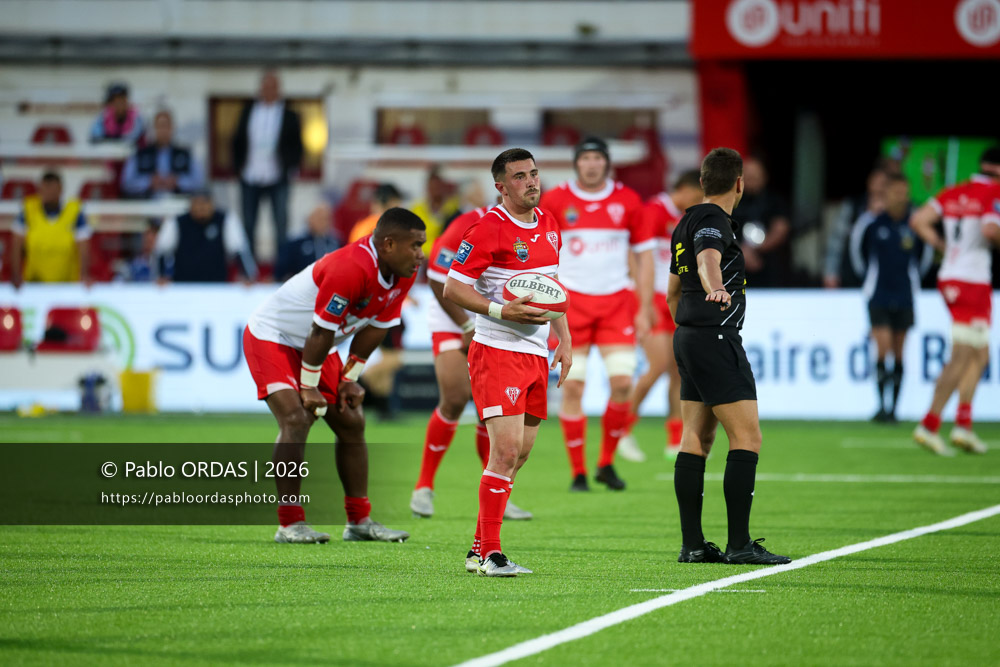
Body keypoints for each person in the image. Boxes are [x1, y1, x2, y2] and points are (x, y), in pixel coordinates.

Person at [243, 207, 426, 543]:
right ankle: (289, 524)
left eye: (421, 245)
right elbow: (319, 331)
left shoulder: (404, 271)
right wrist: (309, 386)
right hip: (274, 336)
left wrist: (349, 377)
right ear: (387, 244)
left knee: (351, 421)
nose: (420, 254)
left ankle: (359, 521)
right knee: (297, 419)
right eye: (414, 245)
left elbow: (376, 329)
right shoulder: (351, 268)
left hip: (317, 345)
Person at [443, 148, 572, 576]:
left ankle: (478, 549)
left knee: (521, 454)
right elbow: (453, 288)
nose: (531, 181)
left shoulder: (550, 224)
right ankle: (493, 555)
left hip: (536, 354)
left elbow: (553, 291)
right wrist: (500, 311)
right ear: (500, 186)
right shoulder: (487, 229)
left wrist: (564, 341)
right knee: (506, 450)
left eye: (534, 173)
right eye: (520, 177)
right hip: (497, 350)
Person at [667, 147, 790, 566]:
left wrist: (688, 332)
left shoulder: (683, 221)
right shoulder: (714, 221)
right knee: (747, 437)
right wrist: (714, 288)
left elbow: (670, 292)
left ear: (702, 182)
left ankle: (694, 545)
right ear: (739, 183)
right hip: (715, 336)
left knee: (695, 439)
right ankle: (739, 544)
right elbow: (707, 259)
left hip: (687, 335)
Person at [540, 136, 653, 492]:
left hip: (617, 303)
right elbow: (542, 252)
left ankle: (605, 462)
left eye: (597, 158)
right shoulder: (556, 199)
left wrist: (645, 306)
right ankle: (578, 472)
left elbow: (645, 256)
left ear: (607, 163)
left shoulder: (628, 200)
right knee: (573, 387)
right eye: (585, 158)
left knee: (622, 383)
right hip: (570, 306)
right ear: (576, 163)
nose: (591, 164)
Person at [409, 203, 533, 522]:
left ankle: (495, 490)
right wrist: (465, 325)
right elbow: (439, 280)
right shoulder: (470, 223)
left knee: (487, 410)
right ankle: (423, 486)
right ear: (502, 188)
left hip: (493, 318)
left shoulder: (535, 228)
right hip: (453, 315)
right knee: (453, 397)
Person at [911, 146, 1000, 455]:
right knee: (963, 355)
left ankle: (963, 425)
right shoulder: (994, 191)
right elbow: (991, 229)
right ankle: (929, 424)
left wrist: (942, 245)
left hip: (951, 275)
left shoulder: (955, 191)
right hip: (972, 281)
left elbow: (920, 220)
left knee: (980, 353)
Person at [617, 170, 703, 462]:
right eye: (697, 194)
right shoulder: (654, 211)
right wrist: (644, 300)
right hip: (652, 298)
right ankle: (622, 430)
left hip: (676, 298)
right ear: (685, 188)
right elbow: (634, 253)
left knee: (679, 369)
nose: (699, 200)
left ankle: (675, 438)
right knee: (658, 365)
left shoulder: (686, 216)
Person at [850, 174, 932, 423]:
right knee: (882, 349)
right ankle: (880, 405)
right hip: (879, 295)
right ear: (886, 194)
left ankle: (893, 408)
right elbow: (858, 252)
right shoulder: (872, 223)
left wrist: (914, 279)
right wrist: (868, 281)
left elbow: (924, 256)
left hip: (905, 294)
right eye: (895, 192)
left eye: (903, 192)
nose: (900, 196)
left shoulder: (915, 223)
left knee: (899, 352)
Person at [231, 70, 303, 258]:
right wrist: (237, 167)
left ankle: (281, 266)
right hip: (250, 174)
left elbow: (297, 145)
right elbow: (237, 140)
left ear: (279, 89)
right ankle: (248, 267)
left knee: (280, 224)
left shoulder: (289, 115)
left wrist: (291, 167)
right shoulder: (248, 111)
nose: (269, 90)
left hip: (277, 175)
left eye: (273, 87)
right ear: (260, 89)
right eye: (265, 86)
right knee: (248, 223)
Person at [154, 190, 258, 283]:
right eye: (197, 203)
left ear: (212, 204)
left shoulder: (225, 220)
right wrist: (161, 276)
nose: (201, 207)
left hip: (216, 287)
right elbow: (161, 251)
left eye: (205, 203)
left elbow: (240, 250)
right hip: (184, 286)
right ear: (190, 205)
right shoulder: (176, 222)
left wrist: (248, 276)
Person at [10, 171, 92, 286]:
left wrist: (84, 274)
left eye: (52, 189)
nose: (48, 193)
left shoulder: (74, 211)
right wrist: (15, 274)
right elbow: (16, 245)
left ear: (60, 190)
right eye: (44, 189)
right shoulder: (28, 209)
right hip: (34, 282)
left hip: (66, 283)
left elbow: (83, 247)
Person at [823, 165, 891, 289]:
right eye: (877, 181)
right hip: (852, 277)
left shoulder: (897, 211)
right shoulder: (853, 207)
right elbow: (836, 240)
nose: (880, 186)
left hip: (886, 278)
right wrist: (830, 272)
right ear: (869, 182)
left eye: (884, 183)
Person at [733, 156, 791, 287]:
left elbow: (780, 229)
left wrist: (757, 249)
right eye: (748, 177)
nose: (751, 181)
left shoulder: (775, 201)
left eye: (755, 177)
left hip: (768, 265)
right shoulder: (730, 202)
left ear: (764, 177)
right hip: (735, 264)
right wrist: (741, 251)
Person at [120, 110, 204, 199]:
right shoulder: (141, 154)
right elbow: (126, 183)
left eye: (166, 126)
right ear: (154, 128)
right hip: (146, 206)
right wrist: (149, 182)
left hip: (179, 206)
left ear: (173, 127)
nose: (163, 130)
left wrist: (178, 182)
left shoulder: (185, 154)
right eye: (160, 126)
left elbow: (199, 182)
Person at [274, 203, 339, 281]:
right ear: (310, 219)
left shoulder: (336, 243)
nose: (323, 222)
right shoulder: (296, 243)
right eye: (319, 218)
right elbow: (282, 270)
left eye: (326, 219)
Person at [411, 165, 461, 254]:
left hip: (443, 254)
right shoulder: (417, 209)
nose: (435, 190)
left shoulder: (452, 209)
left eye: (438, 186)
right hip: (420, 254)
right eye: (432, 186)